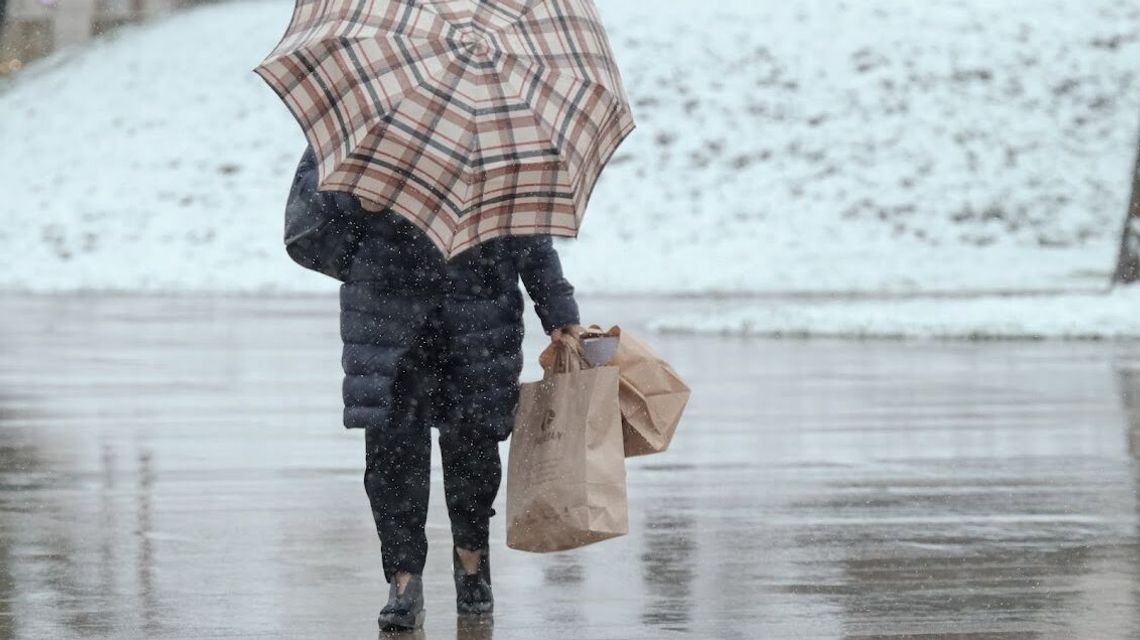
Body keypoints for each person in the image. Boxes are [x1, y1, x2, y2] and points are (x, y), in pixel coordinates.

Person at [287, 148, 581, 631]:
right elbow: (315, 212)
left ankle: (472, 564)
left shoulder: (503, 132)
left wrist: (558, 309)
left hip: (478, 313)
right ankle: (403, 581)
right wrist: (361, 202)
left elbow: (529, 229)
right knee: (393, 457)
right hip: (389, 313)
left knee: (475, 451)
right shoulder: (374, 124)